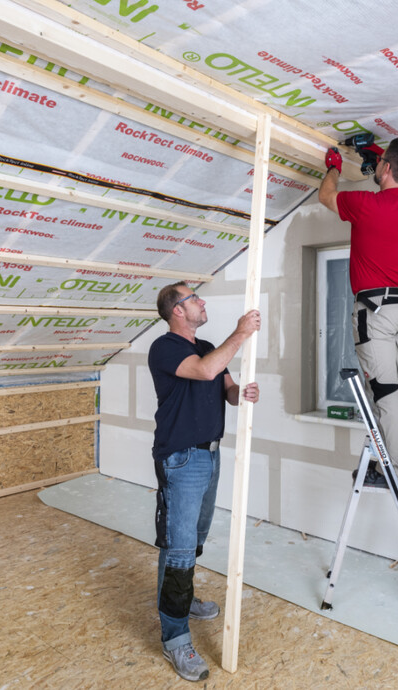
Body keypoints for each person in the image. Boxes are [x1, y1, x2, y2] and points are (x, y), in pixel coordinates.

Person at [148, 281, 260, 682]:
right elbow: (207, 370)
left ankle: (183, 598)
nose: (201, 301)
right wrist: (242, 333)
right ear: (177, 311)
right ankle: (175, 639)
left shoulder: (207, 343)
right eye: (193, 298)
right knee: (178, 550)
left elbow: (224, 385)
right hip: (181, 459)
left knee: (190, 540)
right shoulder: (165, 348)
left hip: (209, 454)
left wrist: (241, 392)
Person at [318, 137, 398, 490]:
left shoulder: (368, 204)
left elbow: (326, 196)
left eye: (380, 163)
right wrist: (381, 160)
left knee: (384, 393)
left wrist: (334, 165)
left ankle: (396, 470)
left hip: (377, 311)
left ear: (384, 168)